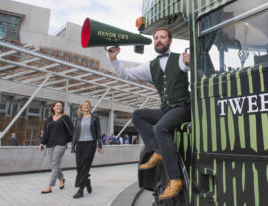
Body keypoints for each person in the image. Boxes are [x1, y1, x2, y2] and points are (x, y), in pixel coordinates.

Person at [108, 27, 191, 201]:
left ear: (170, 41)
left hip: (183, 107)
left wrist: (192, 61)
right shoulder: (150, 66)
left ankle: (175, 181)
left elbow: (199, 69)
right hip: (167, 109)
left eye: (162, 37)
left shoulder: (181, 59)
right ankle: (158, 150)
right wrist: (114, 59)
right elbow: (126, 75)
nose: (159, 40)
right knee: (137, 115)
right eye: (156, 38)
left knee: (160, 128)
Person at [39, 101, 74, 194]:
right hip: (50, 144)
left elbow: (72, 130)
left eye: (61, 106)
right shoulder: (49, 119)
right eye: (57, 106)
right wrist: (42, 143)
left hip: (61, 144)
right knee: (55, 165)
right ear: (53, 108)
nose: (59, 107)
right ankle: (61, 179)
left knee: (54, 165)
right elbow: (46, 132)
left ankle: (49, 186)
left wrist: (69, 141)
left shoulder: (65, 118)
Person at [71, 100, 103, 199]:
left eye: (87, 105)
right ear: (81, 107)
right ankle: (87, 182)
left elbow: (98, 131)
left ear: (90, 107)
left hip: (90, 144)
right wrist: (73, 146)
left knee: (85, 166)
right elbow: (75, 134)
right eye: (84, 105)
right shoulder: (78, 119)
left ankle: (80, 190)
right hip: (80, 144)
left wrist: (99, 145)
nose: (86, 107)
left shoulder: (95, 118)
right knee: (79, 167)